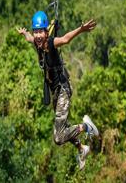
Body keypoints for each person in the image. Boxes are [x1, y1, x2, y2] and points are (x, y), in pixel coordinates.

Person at [17, 11, 99, 170]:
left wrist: (80, 30)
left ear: (46, 32)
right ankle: (82, 149)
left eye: (41, 31)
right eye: (36, 32)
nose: (38, 35)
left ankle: (86, 127)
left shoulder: (51, 43)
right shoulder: (36, 42)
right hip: (55, 91)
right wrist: (25, 33)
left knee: (59, 137)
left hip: (63, 89)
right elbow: (29, 39)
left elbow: (66, 39)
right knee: (63, 127)